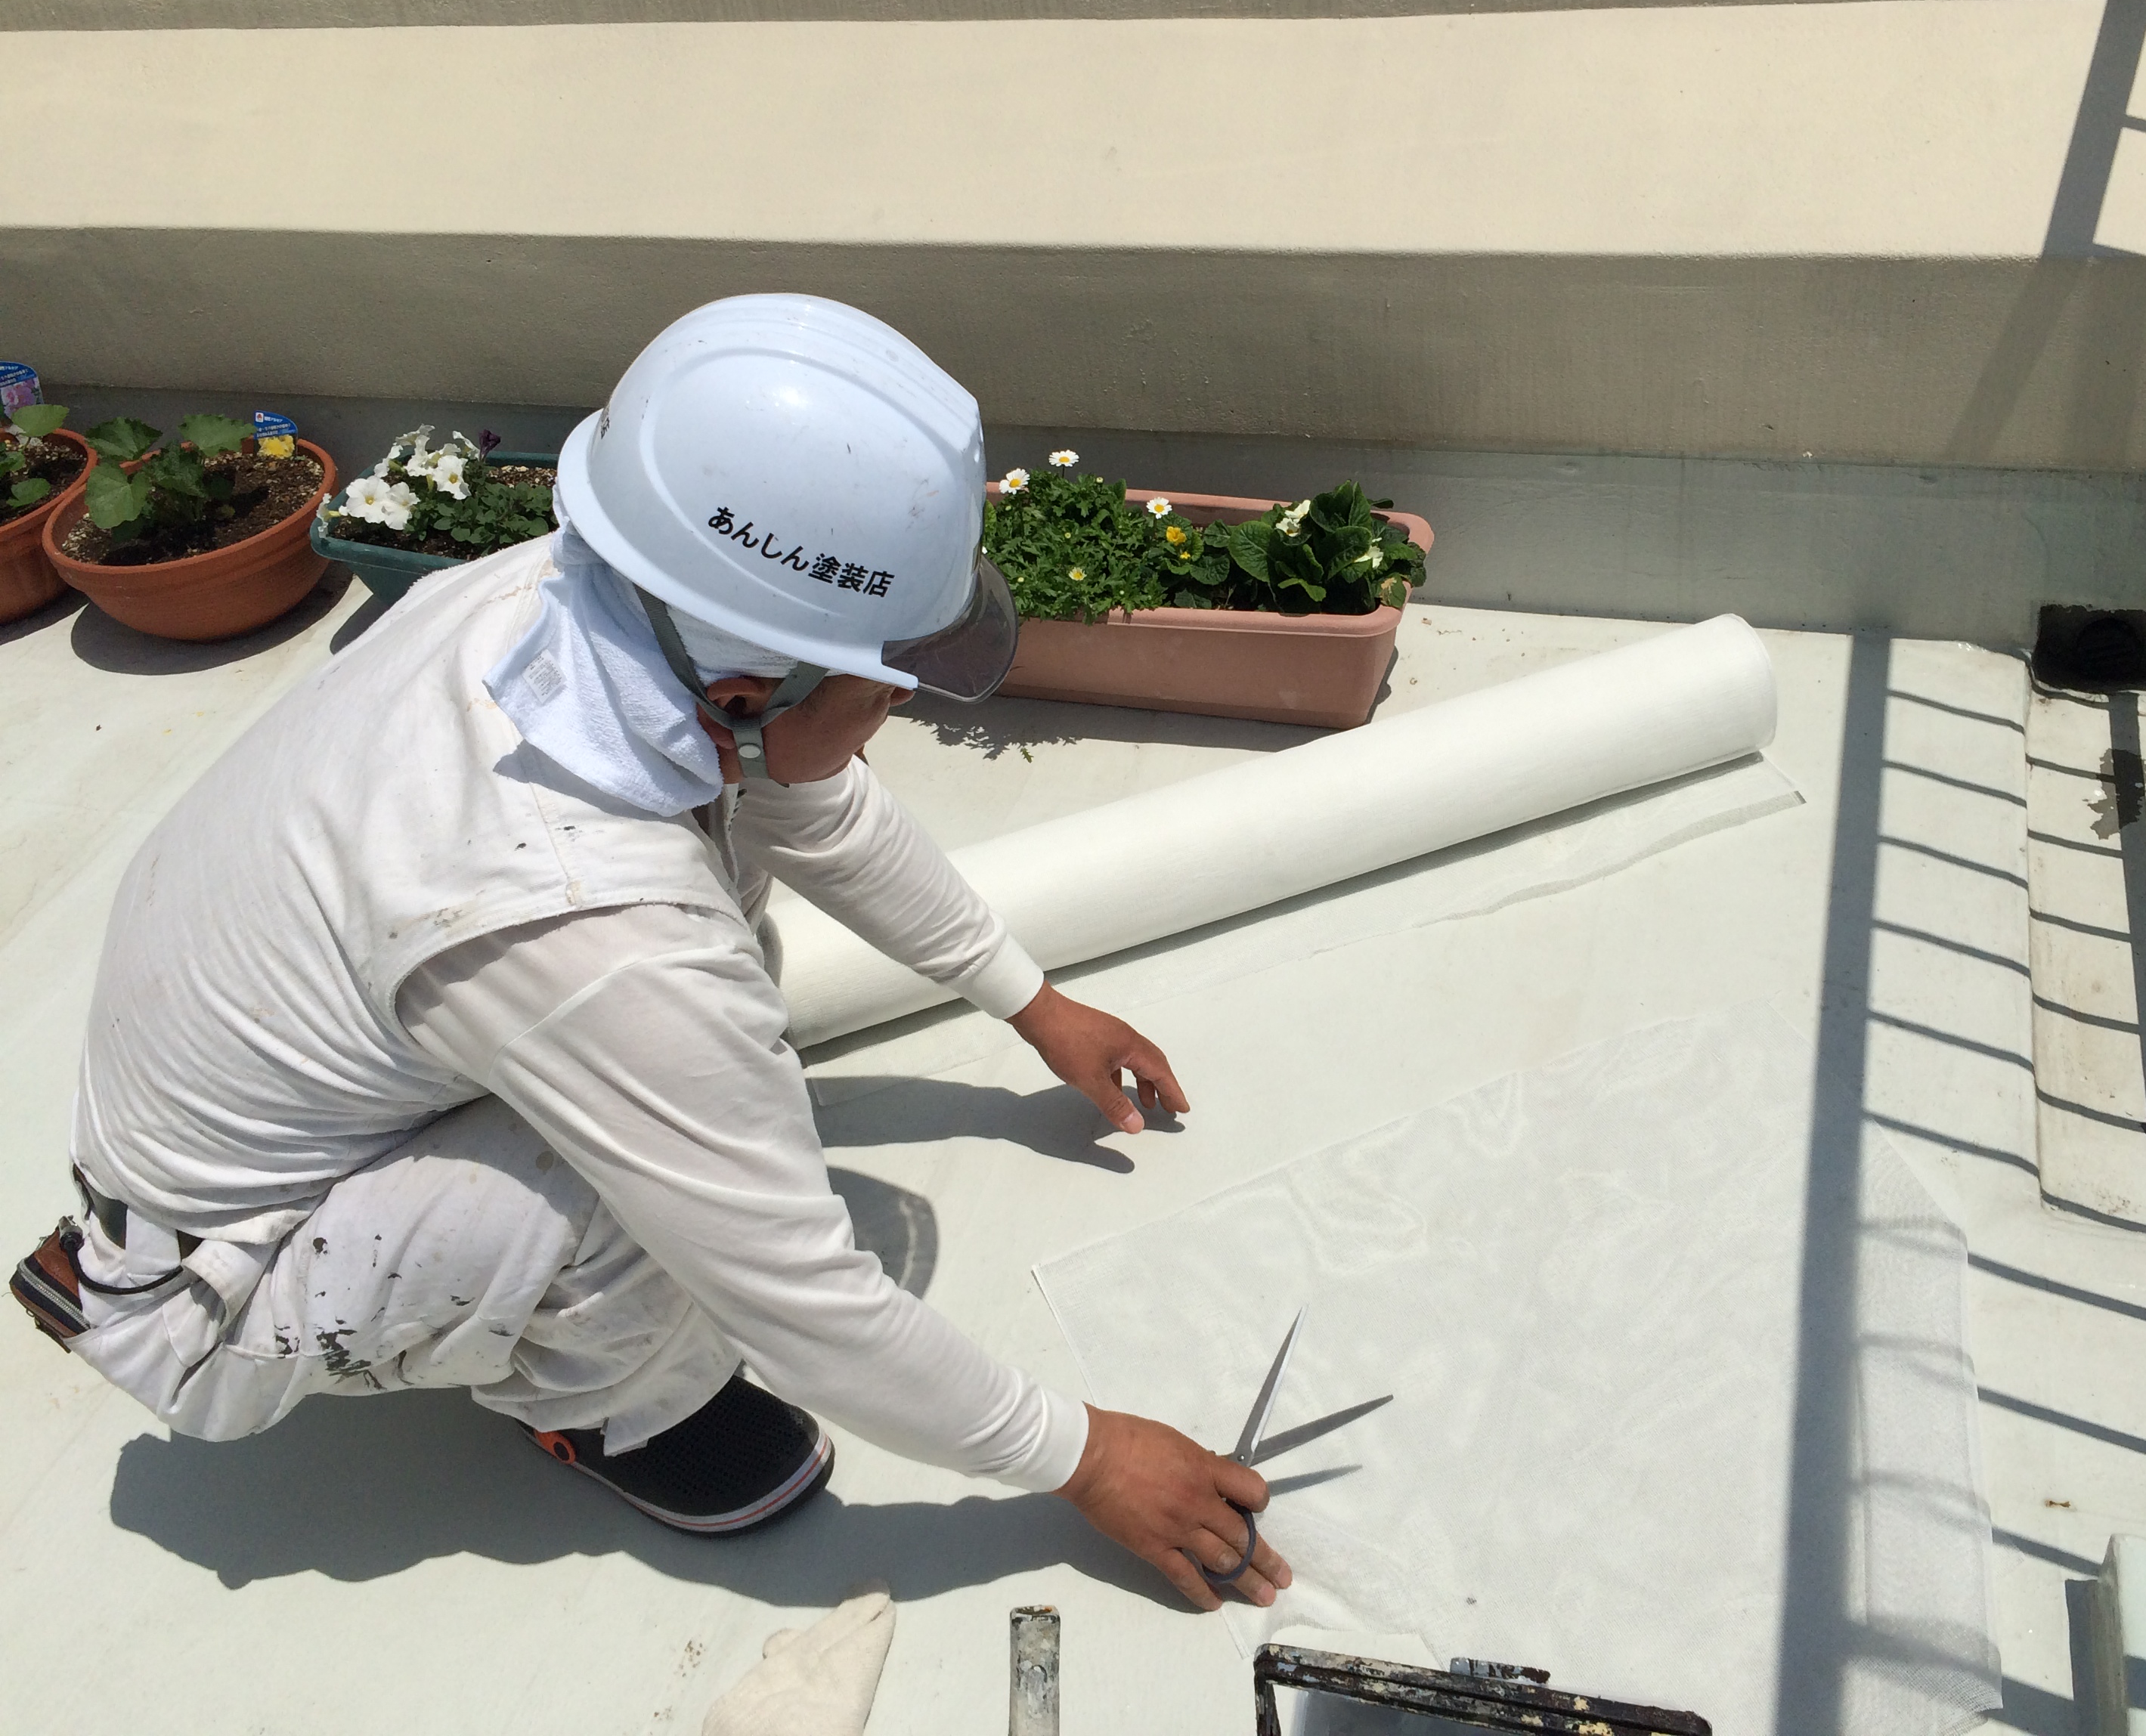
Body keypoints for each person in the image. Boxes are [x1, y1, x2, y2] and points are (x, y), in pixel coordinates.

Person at [9, 294, 1288, 1612]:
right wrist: (1088, 1459)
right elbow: (798, 1295)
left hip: (242, 1126)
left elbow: (810, 801)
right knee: (646, 1165)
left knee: (710, 989)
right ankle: (606, 1408)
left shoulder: (588, 605)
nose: (898, 704)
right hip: (215, 1287)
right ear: (745, 694)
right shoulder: (585, 926)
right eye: (886, 685)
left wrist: (1030, 1000)